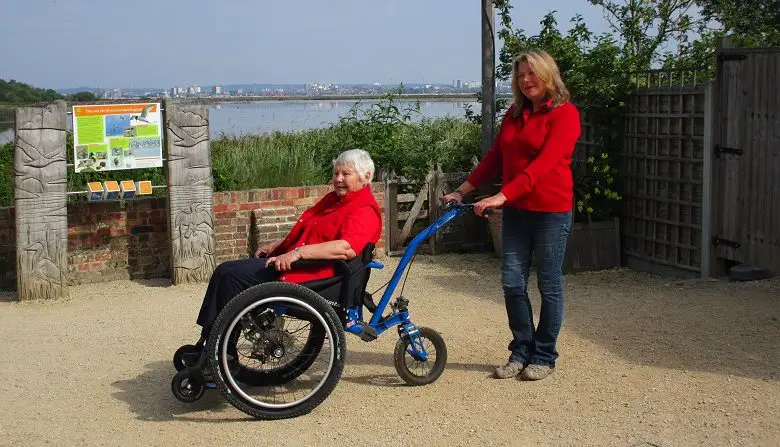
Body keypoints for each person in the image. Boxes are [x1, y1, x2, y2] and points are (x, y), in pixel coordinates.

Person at [442, 49, 581, 381]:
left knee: (549, 285)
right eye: (520, 75)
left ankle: (545, 355)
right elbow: (494, 158)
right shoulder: (514, 114)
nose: (526, 80)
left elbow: (544, 165)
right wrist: (463, 190)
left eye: (532, 73)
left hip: (550, 211)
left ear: (547, 75)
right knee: (512, 282)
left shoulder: (565, 115)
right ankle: (521, 350)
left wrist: (501, 195)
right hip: (517, 211)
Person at [193, 148, 382, 347]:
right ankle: (209, 340)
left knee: (232, 278)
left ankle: (221, 350)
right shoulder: (334, 200)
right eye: (336, 173)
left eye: (346, 174)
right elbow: (310, 230)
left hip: (316, 275)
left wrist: (296, 254)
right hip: (304, 265)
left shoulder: (364, 208)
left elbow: (346, 248)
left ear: (366, 176)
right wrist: (279, 246)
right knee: (225, 270)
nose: (338, 179)